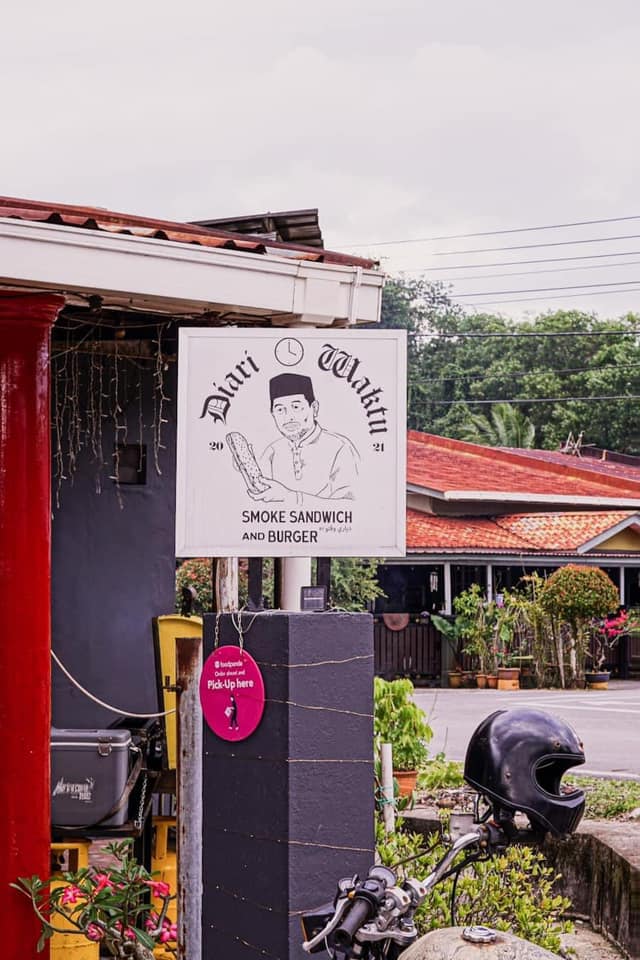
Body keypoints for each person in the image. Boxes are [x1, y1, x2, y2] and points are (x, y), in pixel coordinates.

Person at [252, 373, 359, 507]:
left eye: (296, 407)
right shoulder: (272, 451)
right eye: (280, 409)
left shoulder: (340, 447)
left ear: (314, 408)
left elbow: (351, 508)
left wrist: (290, 498)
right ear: (273, 414)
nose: (288, 417)